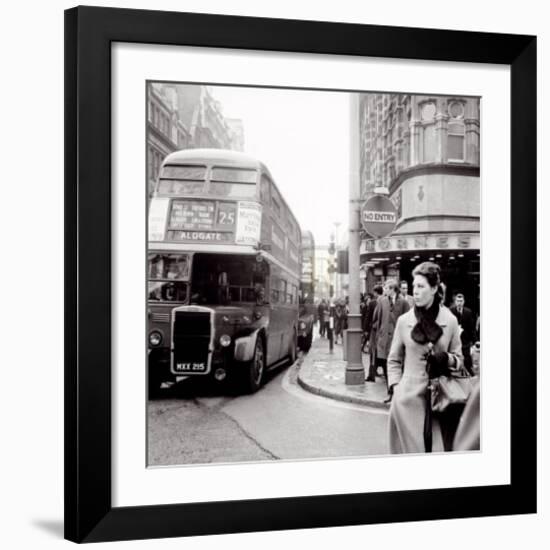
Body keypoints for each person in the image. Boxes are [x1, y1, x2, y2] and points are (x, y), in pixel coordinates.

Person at [387, 262, 463, 454]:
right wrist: (396, 389)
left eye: (421, 286)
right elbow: (394, 359)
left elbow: (460, 360)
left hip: (440, 401)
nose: (416, 292)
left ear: (434, 288)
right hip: (407, 401)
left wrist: (446, 359)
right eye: (414, 286)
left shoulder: (450, 320)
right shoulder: (404, 321)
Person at [371, 279, 410, 398]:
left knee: (398, 365)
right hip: (385, 340)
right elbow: (376, 319)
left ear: (393, 289)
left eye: (387, 288)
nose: (384, 290)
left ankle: (397, 391)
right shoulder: (382, 301)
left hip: (398, 339)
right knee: (387, 365)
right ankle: (390, 391)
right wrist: (379, 334)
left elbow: (408, 320)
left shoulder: (403, 302)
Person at [450, 293, 476, 376]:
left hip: (465, 340)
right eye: (458, 301)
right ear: (455, 302)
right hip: (455, 339)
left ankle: (470, 376)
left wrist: (474, 342)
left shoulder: (468, 312)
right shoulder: (451, 311)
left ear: (464, 302)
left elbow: (471, 328)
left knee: (467, 360)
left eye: (461, 301)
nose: (459, 303)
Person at [365, 285, 384, 379]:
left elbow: (368, 318)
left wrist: (366, 331)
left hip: (374, 331)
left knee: (373, 353)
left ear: (375, 292)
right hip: (383, 331)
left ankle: (371, 374)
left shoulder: (373, 303)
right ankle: (383, 372)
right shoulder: (386, 301)